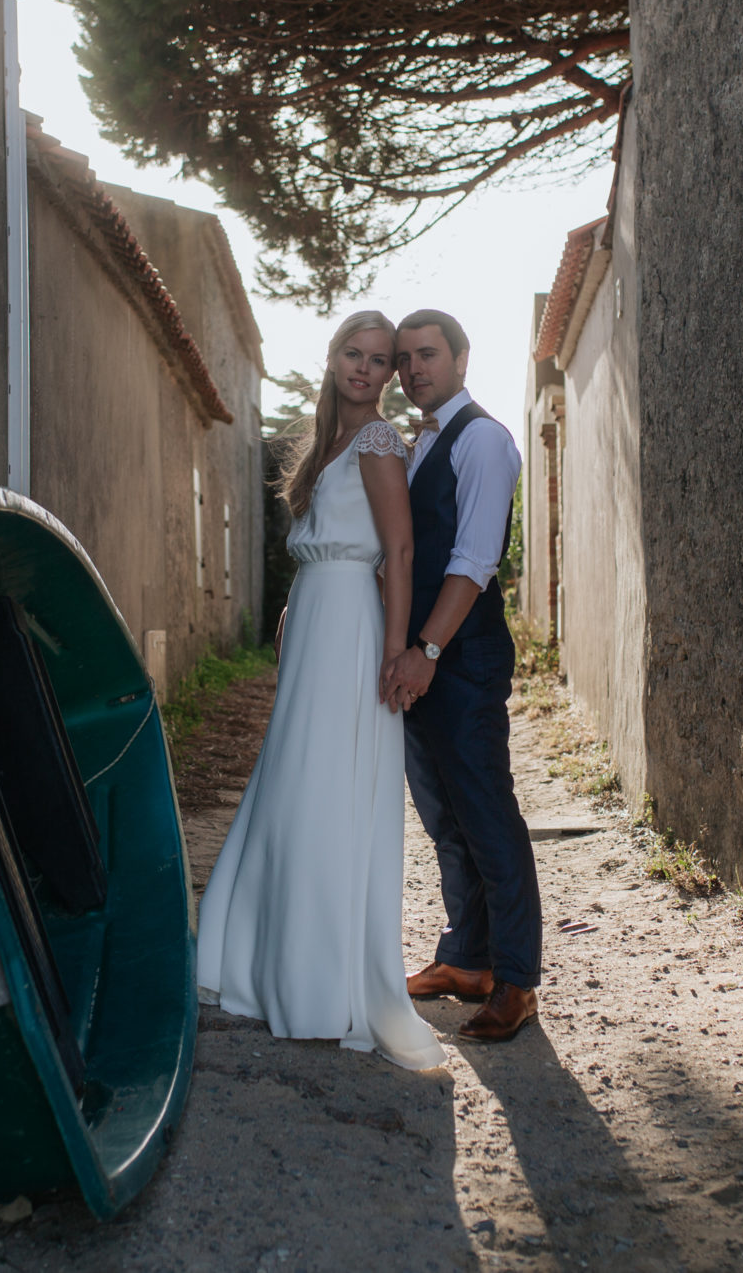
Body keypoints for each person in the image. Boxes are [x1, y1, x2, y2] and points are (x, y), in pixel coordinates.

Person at [194, 310, 446, 1071]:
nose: (366, 369)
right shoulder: (325, 446)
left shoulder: (376, 440)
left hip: (351, 635)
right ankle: (263, 966)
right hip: (314, 621)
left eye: (379, 360)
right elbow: (327, 545)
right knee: (291, 783)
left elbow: (397, 548)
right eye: (354, 353)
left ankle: (319, 981)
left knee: (327, 787)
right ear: (333, 357)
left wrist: (399, 646)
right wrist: (290, 607)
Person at [380, 309, 540, 1043]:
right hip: (423, 658)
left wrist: (429, 652)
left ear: (462, 359)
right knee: (443, 816)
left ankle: (515, 981)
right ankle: (467, 959)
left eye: (428, 355)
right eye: (405, 359)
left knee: (485, 813)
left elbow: (474, 562)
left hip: (461, 656)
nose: (415, 370)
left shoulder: (483, 440)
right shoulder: (419, 445)